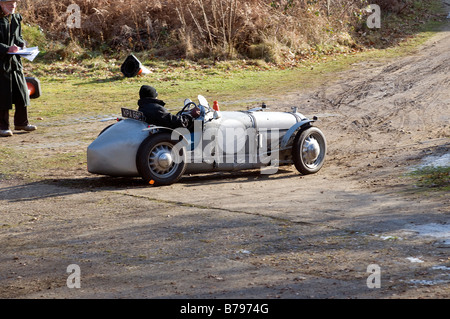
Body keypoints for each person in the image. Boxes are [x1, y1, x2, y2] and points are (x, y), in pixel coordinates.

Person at [0, 0, 36, 137]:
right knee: (3, 95)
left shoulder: (15, 17)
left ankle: (22, 122)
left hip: (15, 61)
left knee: (21, 92)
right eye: (9, 3)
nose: (13, 6)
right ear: (1, 4)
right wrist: (6, 48)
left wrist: (22, 44)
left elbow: (18, 36)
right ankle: (2, 126)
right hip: (1, 64)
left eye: (14, 3)